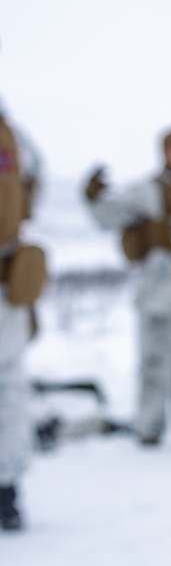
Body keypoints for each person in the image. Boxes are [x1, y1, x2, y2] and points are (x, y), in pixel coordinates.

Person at [83, 130, 171, 446]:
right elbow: (110, 216)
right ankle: (149, 426)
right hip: (159, 294)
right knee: (155, 366)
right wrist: (93, 197)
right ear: (164, 152)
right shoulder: (146, 192)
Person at [0, 104, 45, 530]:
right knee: (9, 385)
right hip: (7, 270)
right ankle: (8, 493)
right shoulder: (13, 136)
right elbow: (35, 181)